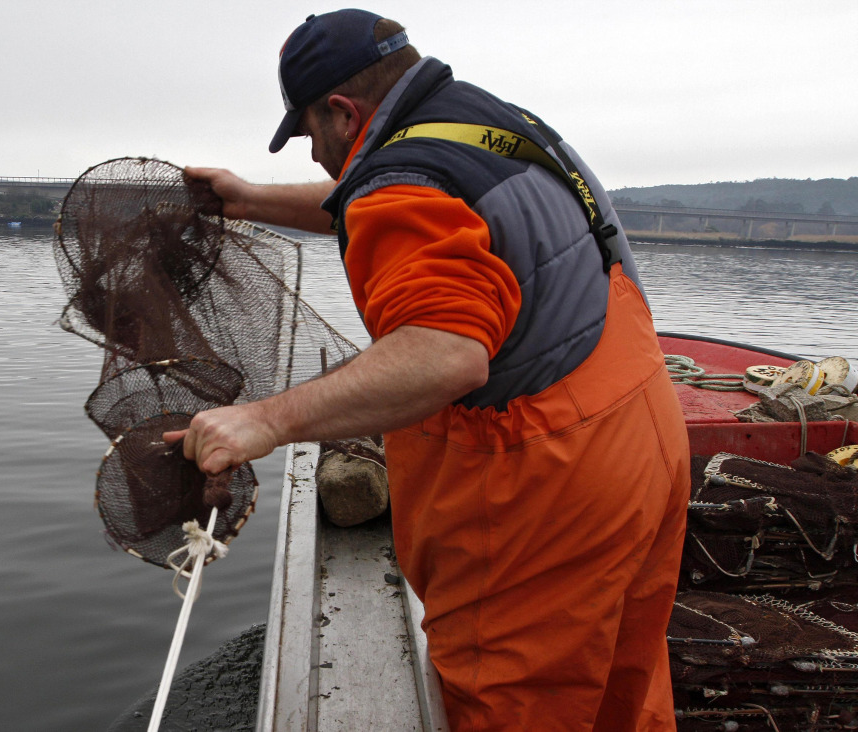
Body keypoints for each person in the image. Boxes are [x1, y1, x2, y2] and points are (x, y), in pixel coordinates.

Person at [163, 9, 689, 732]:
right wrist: (250, 199)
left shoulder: (401, 180)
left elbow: (447, 353)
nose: (314, 156)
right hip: (642, 439)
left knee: (515, 705)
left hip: (543, 493)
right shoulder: (485, 124)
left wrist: (265, 419)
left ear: (342, 112)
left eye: (309, 134)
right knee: (623, 696)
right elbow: (373, 194)